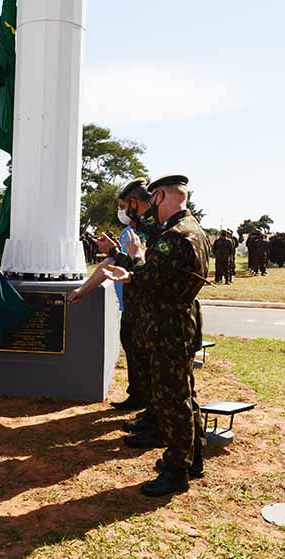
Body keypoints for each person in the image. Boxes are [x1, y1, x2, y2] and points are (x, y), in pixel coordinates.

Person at [104, 175, 209, 497]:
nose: (151, 207)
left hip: (168, 326)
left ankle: (177, 469)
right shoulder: (195, 230)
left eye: (152, 200)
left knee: (171, 400)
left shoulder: (174, 237)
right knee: (184, 394)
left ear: (161, 196)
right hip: (181, 321)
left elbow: (151, 280)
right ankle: (193, 458)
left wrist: (129, 274)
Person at [69, 179, 153, 415]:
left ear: (134, 203)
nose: (121, 211)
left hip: (144, 309)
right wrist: (83, 291)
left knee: (146, 360)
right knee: (134, 355)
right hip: (129, 307)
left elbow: (144, 267)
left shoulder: (152, 232)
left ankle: (149, 408)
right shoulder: (129, 232)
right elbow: (108, 266)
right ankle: (137, 396)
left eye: (123, 206)